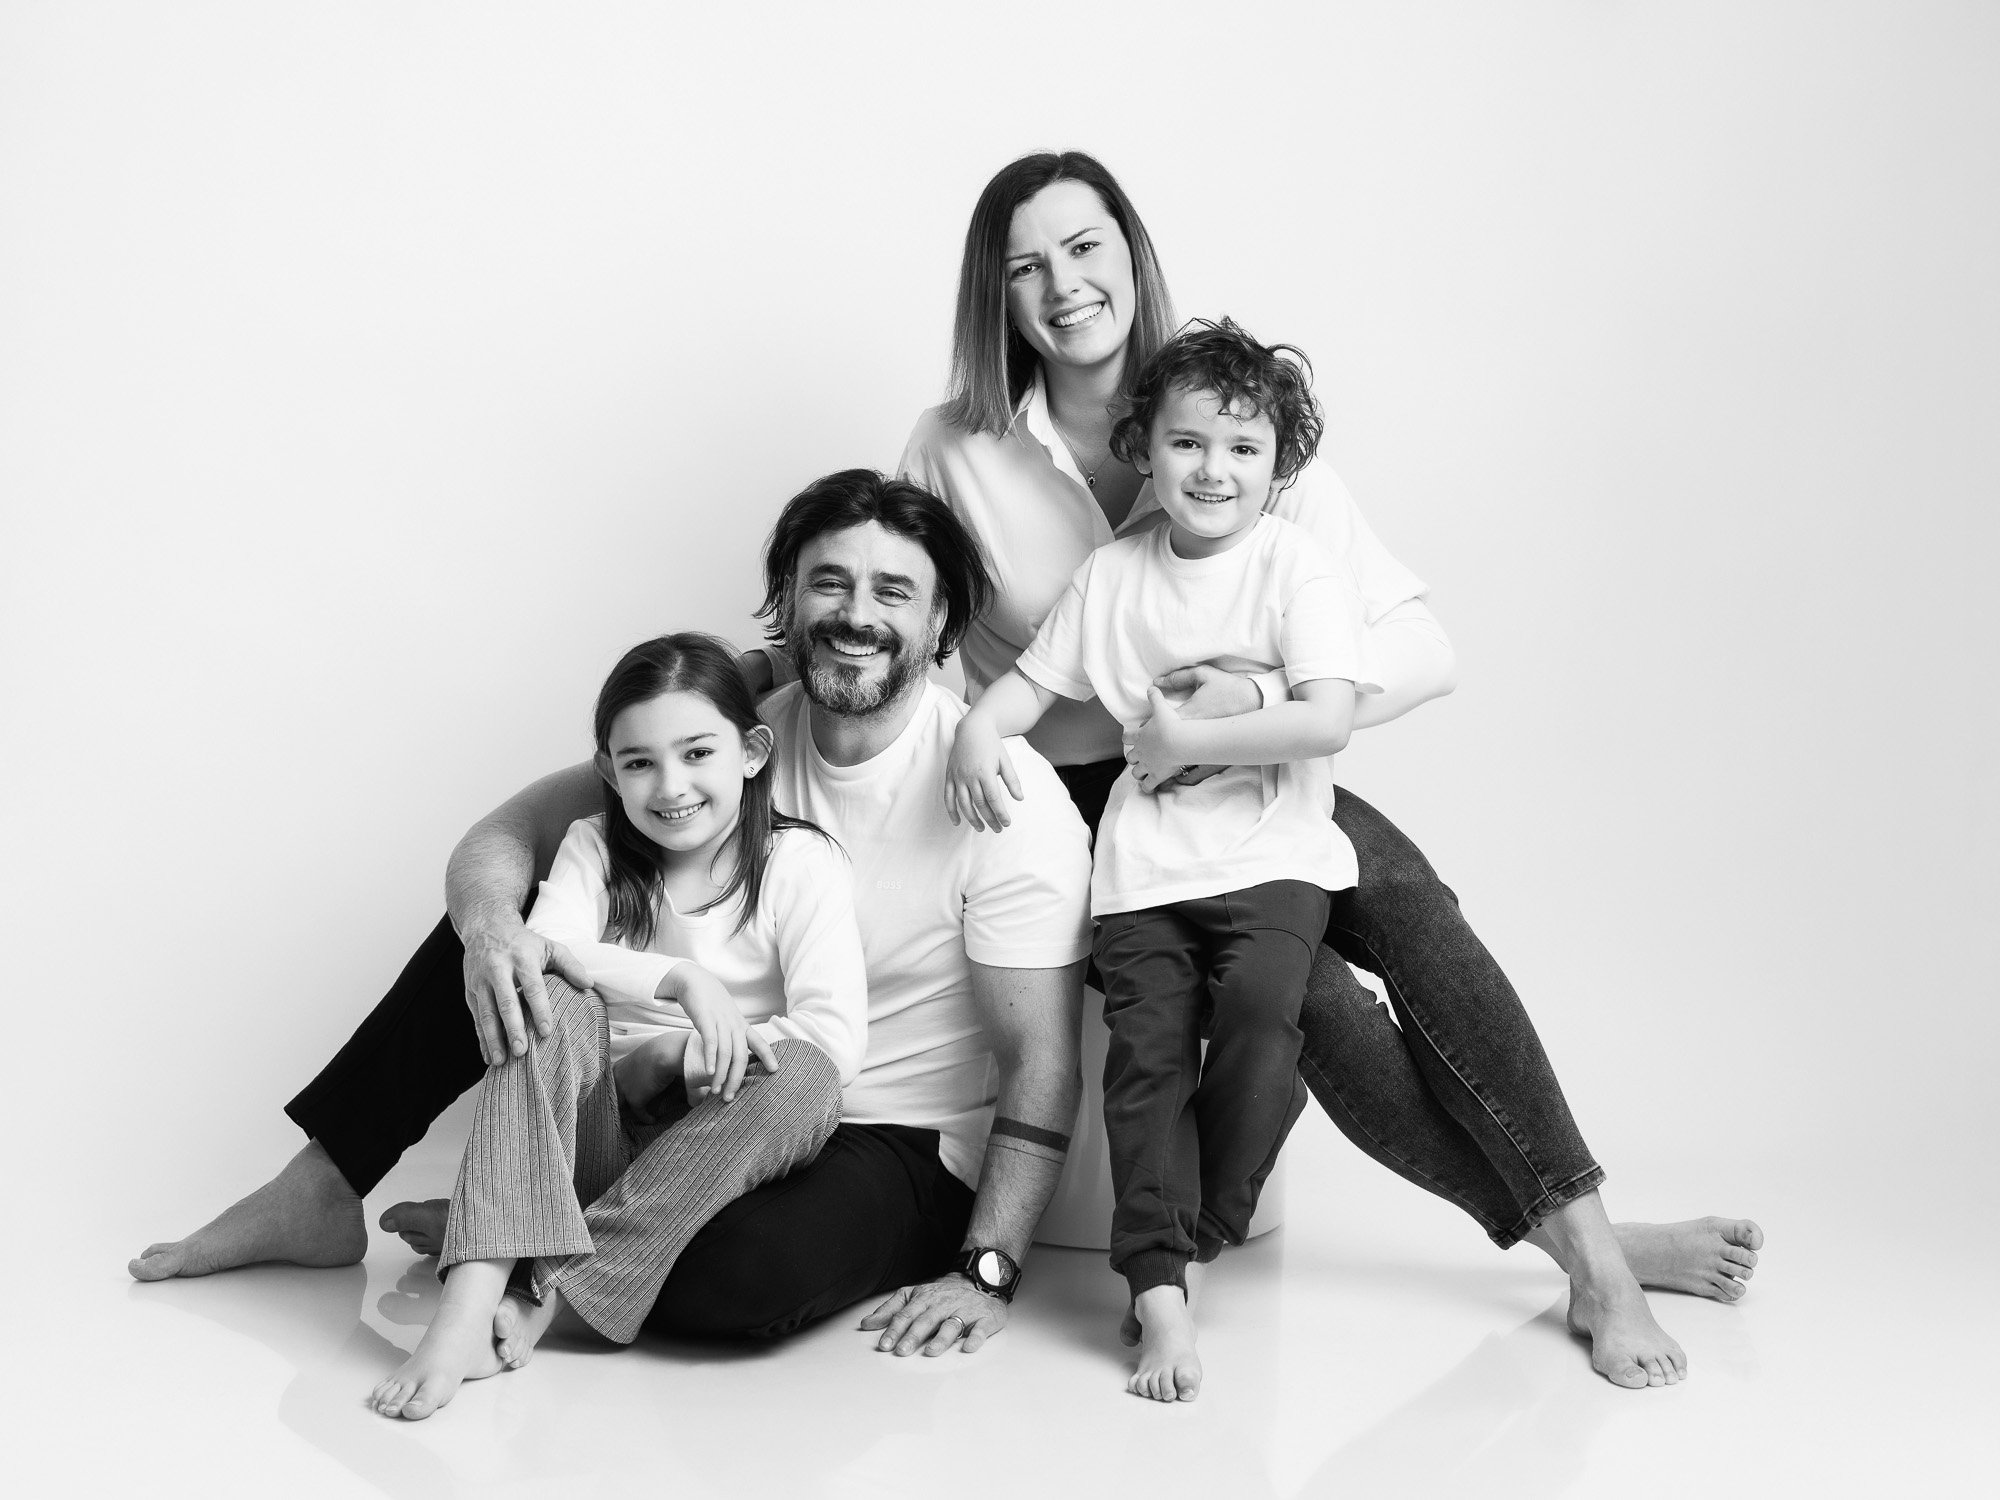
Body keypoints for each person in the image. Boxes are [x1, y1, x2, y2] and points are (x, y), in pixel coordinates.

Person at [882, 149, 1764, 1393]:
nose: (1063, 284)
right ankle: (1589, 1251)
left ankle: (1594, 1248)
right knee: (1320, 1007)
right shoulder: (954, 448)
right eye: (1026, 265)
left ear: (1130, 253)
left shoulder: (1236, 411)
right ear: (997, 293)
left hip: (1262, 764)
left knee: (1409, 906)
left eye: (1084, 248)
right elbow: (906, 628)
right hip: (1080, 802)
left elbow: (1419, 646)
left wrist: (1259, 701)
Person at [135, 471, 1095, 1366]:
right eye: (829, 583)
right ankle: (324, 1189)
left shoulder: (1006, 796)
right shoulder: (730, 730)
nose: (856, 615)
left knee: (737, 1280)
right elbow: (508, 833)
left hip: (888, 1132)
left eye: (893, 592)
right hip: (680, 1095)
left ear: (940, 622)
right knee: (504, 935)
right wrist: (493, 935)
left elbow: (1041, 1060)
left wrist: (988, 1272)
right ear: (789, 601)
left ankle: (521, 1230)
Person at [949, 318, 1368, 1401]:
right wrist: (976, 729)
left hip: (1271, 856)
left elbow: (1326, 718)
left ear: (1279, 464)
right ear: (1144, 449)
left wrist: (1187, 740)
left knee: (1265, 1017)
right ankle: (1160, 1293)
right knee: (1145, 1064)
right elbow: (1031, 686)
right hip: (1141, 871)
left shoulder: (1293, 566)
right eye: (1187, 443)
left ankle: (1202, 1222)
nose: (1213, 470)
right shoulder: (1112, 574)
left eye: (1243, 449)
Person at [369, 633, 867, 1420]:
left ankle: (543, 1277)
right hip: (592, 1128)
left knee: (807, 1075)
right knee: (546, 991)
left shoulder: (800, 863)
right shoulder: (594, 845)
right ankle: (466, 1309)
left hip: (703, 1150)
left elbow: (836, 1036)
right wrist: (679, 984)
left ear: (751, 752)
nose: (671, 786)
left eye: (697, 753)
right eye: (639, 763)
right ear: (609, 772)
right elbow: (549, 949)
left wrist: (691, 1055)